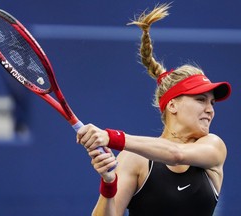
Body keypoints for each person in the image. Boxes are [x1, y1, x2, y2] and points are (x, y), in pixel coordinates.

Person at [76, 3, 232, 216]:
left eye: (212, 103)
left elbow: (176, 154)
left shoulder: (214, 147)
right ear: (172, 105)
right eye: (200, 100)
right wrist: (109, 183)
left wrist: (110, 137)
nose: (209, 110)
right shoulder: (133, 159)